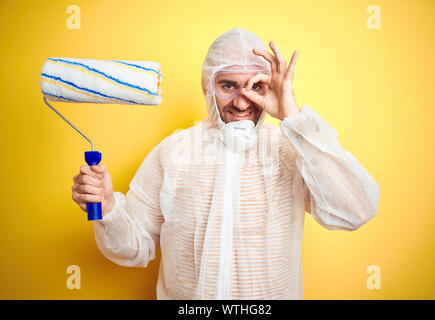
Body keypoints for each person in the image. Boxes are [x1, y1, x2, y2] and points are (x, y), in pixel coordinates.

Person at [71, 28, 379, 299]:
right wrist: (108, 207)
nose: (243, 102)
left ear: (270, 87)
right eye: (228, 86)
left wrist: (293, 117)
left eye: (256, 86)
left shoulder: (293, 150)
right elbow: (133, 248)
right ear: (208, 85)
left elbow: (356, 211)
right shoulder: (173, 153)